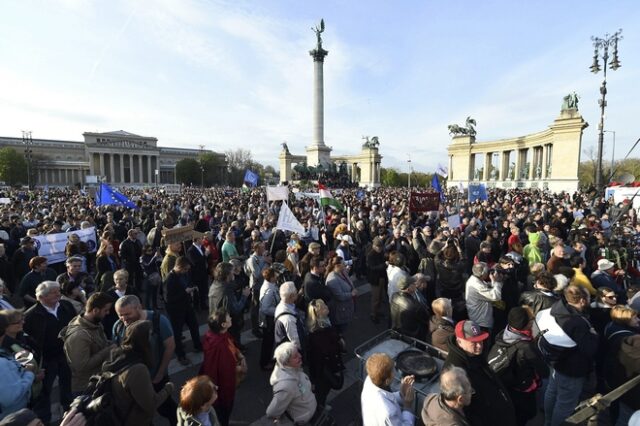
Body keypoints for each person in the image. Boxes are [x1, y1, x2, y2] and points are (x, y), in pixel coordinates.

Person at [537, 285, 599, 426]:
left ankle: (548, 421)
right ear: (582, 301)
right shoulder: (578, 323)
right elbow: (590, 349)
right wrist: (594, 335)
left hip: (555, 362)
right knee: (565, 404)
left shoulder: (557, 308)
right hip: (571, 369)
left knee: (552, 392)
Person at [113, 295, 178, 426]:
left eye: (127, 314)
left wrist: (160, 373)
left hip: (156, 378)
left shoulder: (159, 321)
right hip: (133, 381)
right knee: (140, 415)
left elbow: (170, 346)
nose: (124, 319)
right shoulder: (118, 326)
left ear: (139, 307)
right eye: (120, 315)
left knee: (166, 408)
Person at [443, 320, 516, 426]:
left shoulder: (474, 354)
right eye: (474, 342)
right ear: (459, 342)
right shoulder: (454, 373)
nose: (479, 346)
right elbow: (463, 412)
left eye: (480, 341)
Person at [23, 281, 76, 424]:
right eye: (54, 292)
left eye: (58, 290)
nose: (58, 294)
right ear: (42, 297)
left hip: (66, 355)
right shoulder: (31, 315)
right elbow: (27, 341)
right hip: (46, 359)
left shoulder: (66, 306)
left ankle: (70, 417)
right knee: (44, 393)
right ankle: (43, 421)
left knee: (68, 388)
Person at [102, 320, 174, 425]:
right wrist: (168, 388)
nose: (152, 337)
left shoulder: (118, 355)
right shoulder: (138, 370)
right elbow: (151, 405)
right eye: (150, 334)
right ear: (144, 340)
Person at [489, 307, 547, 426]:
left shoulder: (503, 334)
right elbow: (544, 371)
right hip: (522, 390)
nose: (533, 321)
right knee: (523, 416)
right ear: (525, 324)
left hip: (508, 386)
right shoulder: (526, 347)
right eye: (532, 319)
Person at [60, 292, 116, 395]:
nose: (108, 313)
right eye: (106, 310)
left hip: (97, 381)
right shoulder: (79, 336)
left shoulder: (95, 324)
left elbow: (100, 342)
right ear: (95, 310)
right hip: (84, 388)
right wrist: (107, 351)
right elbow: (81, 367)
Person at [199, 308, 245, 426]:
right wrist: (238, 369)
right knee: (223, 414)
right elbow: (225, 372)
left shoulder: (217, 335)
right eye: (228, 317)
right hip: (223, 389)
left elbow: (231, 344)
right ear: (224, 324)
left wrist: (238, 353)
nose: (230, 317)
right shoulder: (219, 346)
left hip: (218, 385)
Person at [266, 342, 317, 424]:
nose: (300, 356)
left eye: (298, 353)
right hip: (303, 421)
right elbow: (271, 412)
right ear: (286, 362)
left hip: (310, 413)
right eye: (295, 356)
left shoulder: (294, 368)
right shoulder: (285, 387)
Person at [164, 256, 203, 365]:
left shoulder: (184, 274)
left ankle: (198, 345)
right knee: (177, 333)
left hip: (186, 305)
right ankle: (180, 355)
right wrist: (185, 292)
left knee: (194, 326)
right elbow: (168, 299)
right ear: (179, 267)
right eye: (185, 269)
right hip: (175, 310)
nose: (187, 271)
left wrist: (192, 287)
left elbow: (188, 282)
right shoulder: (170, 279)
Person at [306, 299, 344, 407]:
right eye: (323, 307)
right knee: (323, 390)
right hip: (324, 369)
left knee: (324, 389)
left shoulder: (325, 322)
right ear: (318, 313)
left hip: (325, 366)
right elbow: (317, 357)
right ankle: (319, 406)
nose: (326, 307)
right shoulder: (318, 333)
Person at [361, 352, 415, 426]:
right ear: (387, 381)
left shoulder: (369, 379)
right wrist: (407, 406)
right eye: (392, 371)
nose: (394, 373)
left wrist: (401, 393)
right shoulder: (389, 413)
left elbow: (384, 397)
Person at [0, 314, 36, 421]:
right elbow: (10, 397)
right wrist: (29, 374)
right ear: (5, 329)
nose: (22, 323)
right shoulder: (1, 363)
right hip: (12, 418)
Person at [465, 262, 503, 333]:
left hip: (479, 318)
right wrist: (497, 281)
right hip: (481, 321)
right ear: (483, 273)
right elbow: (496, 296)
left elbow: (488, 288)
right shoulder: (477, 285)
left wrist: (493, 281)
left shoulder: (475, 280)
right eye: (487, 271)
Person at [390, 275, 430, 341]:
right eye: (414, 284)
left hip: (397, 332)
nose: (416, 285)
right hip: (412, 337)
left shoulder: (394, 295)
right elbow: (426, 318)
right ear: (408, 288)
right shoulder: (415, 305)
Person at [245, 241, 271, 337]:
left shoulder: (264, 256)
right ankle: (254, 329)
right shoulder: (252, 260)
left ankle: (262, 324)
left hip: (265, 285)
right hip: (256, 287)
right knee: (255, 308)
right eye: (262, 248)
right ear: (256, 249)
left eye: (264, 247)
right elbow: (257, 274)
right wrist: (265, 262)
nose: (264, 249)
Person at [325, 255, 357, 335]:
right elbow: (340, 296)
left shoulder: (342, 272)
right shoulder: (332, 279)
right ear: (337, 266)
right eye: (343, 263)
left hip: (346, 307)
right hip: (340, 310)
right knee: (341, 331)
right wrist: (351, 294)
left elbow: (346, 281)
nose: (345, 265)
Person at [274, 281, 305, 350]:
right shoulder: (288, 319)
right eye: (296, 293)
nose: (297, 294)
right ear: (291, 296)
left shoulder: (281, 306)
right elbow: (296, 341)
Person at [259, 267, 279, 370]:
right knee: (268, 342)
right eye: (275, 275)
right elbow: (265, 308)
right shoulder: (269, 290)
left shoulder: (271, 286)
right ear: (271, 278)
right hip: (268, 320)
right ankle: (265, 363)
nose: (277, 276)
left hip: (270, 319)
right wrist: (278, 310)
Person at [366, 238, 387, 324]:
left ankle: (377, 311)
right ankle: (373, 314)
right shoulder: (370, 255)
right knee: (375, 298)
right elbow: (372, 268)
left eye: (380, 247)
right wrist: (384, 265)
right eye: (378, 247)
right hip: (375, 279)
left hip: (381, 277)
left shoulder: (381, 252)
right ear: (374, 246)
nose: (379, 249)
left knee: (380, 297)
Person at [186, 233, 210, 310]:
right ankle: (196, 307)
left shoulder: (202, 247)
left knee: (203, 290)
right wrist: (205, 255)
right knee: (197, 291)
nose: (202, 240)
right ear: (196, 240)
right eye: (201, 238)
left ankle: (203, 304)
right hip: (196, 275)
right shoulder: (191, 250)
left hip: (203, 273)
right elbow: (195, 263)